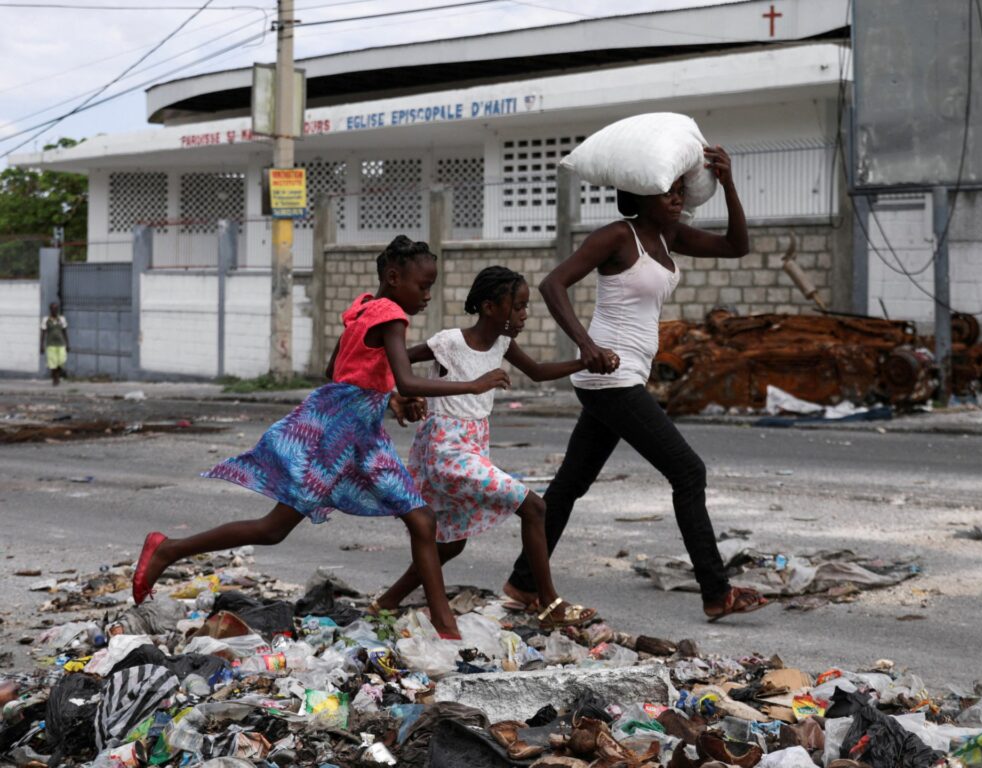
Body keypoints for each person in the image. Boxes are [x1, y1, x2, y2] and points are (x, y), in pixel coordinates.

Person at [131, 236, 510, 640]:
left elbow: (339, 370)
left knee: (414, 519)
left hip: (351, 432)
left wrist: (389, 401)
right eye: (422, 285)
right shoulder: (390, 314)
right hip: (339, 438)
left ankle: (444, 626)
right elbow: (405, 376)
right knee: (289, 528)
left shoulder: (363, 308)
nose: (427, 295)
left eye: (430, 286)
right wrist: (471, 385)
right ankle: (167, 549)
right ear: (394, 277)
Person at [503, 146, 769, 622]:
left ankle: (523, 584)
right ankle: (716, 592)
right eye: (664, 190)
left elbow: (737, 246)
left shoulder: (670, 237)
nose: (675, 196)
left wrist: (728, 183)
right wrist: (584, 344)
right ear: (639, 196)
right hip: (610, 376)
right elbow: (552, 284)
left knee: (569, 485)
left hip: (620, 377)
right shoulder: (616, 236)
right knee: (689, 472)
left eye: (679, 189)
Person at [370, 266, 606, 630]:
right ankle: (549, 603)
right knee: (534, 506)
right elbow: (393, 360)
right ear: (490, 307)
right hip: (444, 450)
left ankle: (386, 601)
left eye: (525, 307)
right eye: (518, 307)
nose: (524, 315)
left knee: (450, 544)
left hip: (473, 447)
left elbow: (539, 371)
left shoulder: (502, 344)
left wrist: (585, 361)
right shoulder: (448, 342)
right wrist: (400, 394)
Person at [40, 302, 69, 386]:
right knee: (53, 363)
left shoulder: (61, 319)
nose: (55, 310)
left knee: (61, 361)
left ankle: (57, 375)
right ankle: (55, 379)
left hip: (61, 344)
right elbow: (43, 333)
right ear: (50, 310)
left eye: (56, 308)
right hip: (51, 344)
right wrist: (41, 346)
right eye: (53, 308)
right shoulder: (46, 320)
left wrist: (67, 344)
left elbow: (65, 332)